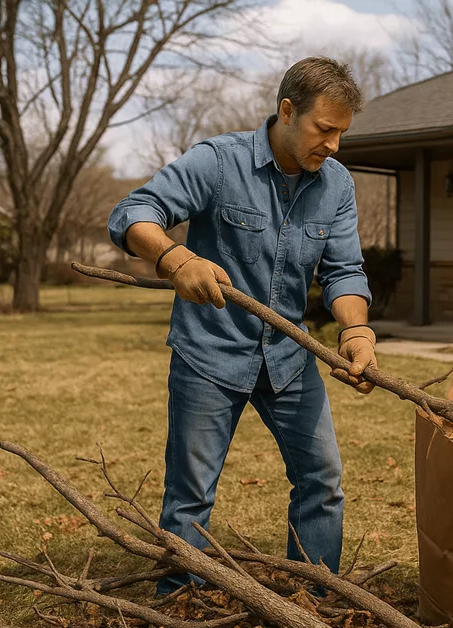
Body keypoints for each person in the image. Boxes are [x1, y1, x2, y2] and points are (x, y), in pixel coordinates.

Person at [107, 57, 376, 596]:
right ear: (287, 110)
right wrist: (175, 260)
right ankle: (180, 606)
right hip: (209, 353)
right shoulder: (219, 162)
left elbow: (345, 270)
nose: (335, 146)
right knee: (190, 495)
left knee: (322, 481)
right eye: (325, 130)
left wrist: (356, 333)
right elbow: (133, 213)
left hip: (288, 357)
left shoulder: (336, 184)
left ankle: (314, 602)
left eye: (342, 133)